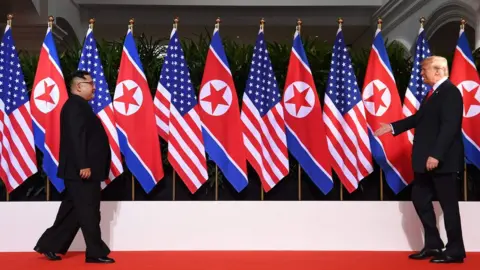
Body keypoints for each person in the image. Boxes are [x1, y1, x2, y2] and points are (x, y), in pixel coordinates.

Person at [374, 56, 465, 263]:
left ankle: (455, 250)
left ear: (439, 71)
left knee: (449, 207)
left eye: (424, 70)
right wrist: (393, 127)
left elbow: (450, 127)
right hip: (425, 161)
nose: (421, 74)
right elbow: (419, 119)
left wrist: (436, 155)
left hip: (441, 162)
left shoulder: (451, 93)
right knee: (420, 200)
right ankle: (433, 245)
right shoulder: (433, 94)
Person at [34, 70, 114, 264]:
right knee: (89, 211)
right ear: (79, 86)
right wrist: (84, 165)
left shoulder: (80, 106)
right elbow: (76, 138)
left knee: (73, 210)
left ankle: (49, 245)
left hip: (83, 171)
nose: (94, 87)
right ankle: (95, 252)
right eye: (90, 83)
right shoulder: (74, 106)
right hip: (82, 171)